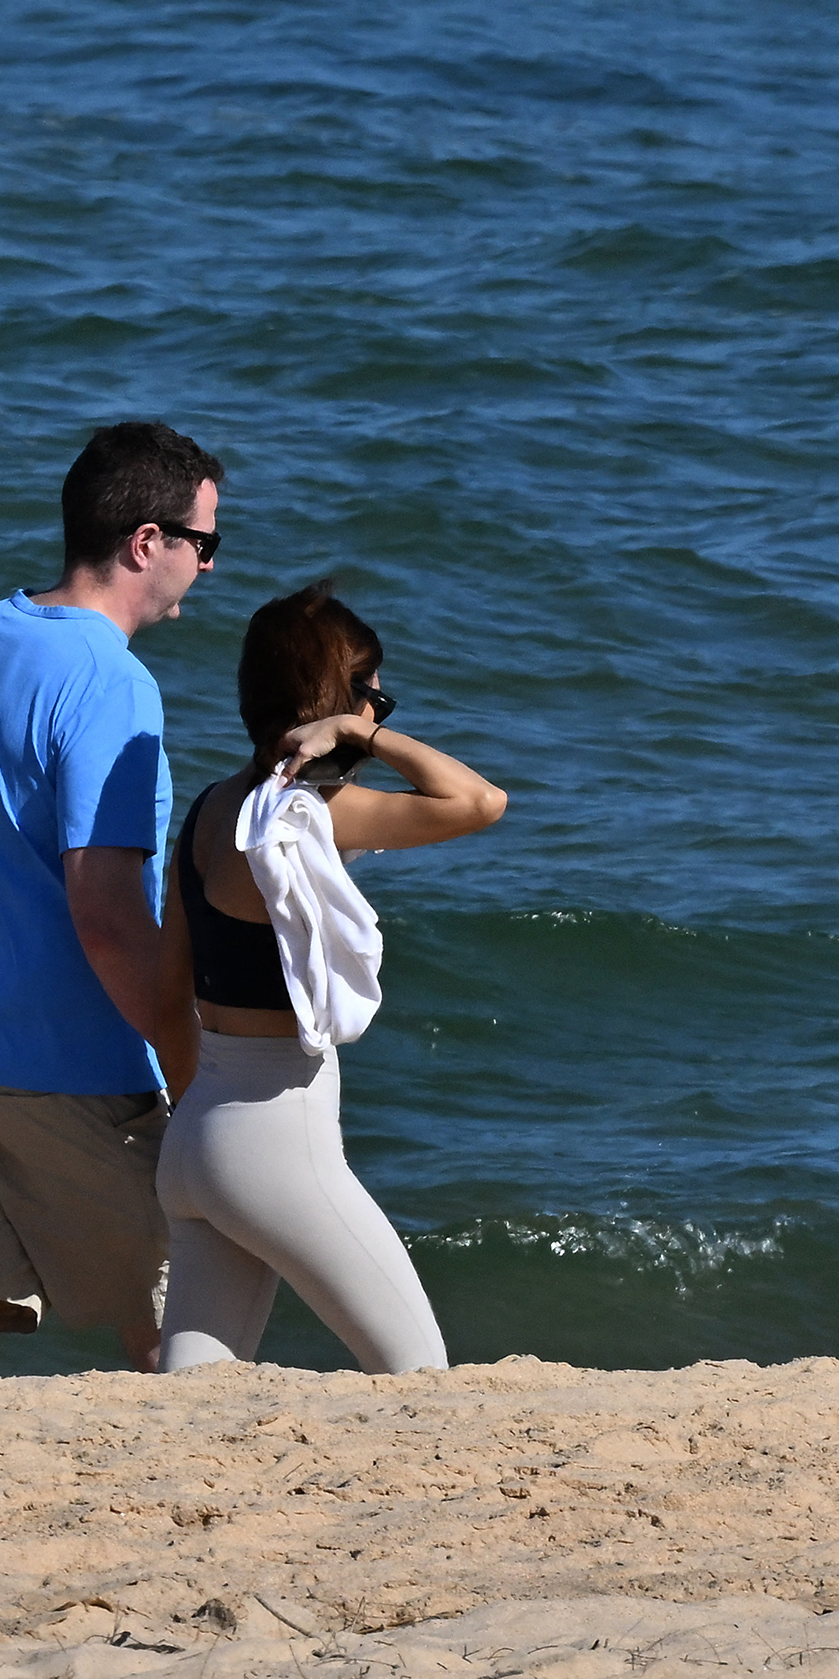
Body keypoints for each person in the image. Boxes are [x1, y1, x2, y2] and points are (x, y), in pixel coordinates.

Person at [0, 419, 223, 1377]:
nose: (208, 568)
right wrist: (190, 1068)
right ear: (146, 543)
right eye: (205, 544)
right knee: (191, 1304)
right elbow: (105, 913)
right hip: (73, 1076)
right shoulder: (113, 683)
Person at [156, 580, 506, 1374]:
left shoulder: (212, 809)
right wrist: (358, 733)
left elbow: (160, 989)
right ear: (329, 701)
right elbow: (480, 801)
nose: (381, 706)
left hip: (197, 1132)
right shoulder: (315, 813)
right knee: (419, 1373)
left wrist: (198, 1119)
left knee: (188, 1405)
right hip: (277, 1136)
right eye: (371, 691)